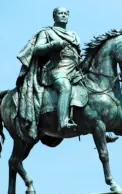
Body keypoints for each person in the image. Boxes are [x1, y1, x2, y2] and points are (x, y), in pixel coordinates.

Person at [16, 7, 82, 135]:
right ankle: (63, 122)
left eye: (65, 14)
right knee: (65, 87)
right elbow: (37, 49)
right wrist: (53, 45)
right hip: (56, 69)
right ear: (54, 16)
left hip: (74, 69)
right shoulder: (47, 32)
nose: (63, 16)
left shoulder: (74, 36)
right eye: (60, 13)